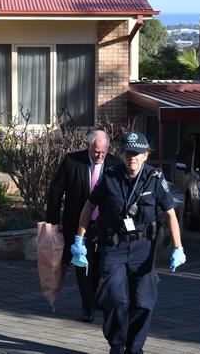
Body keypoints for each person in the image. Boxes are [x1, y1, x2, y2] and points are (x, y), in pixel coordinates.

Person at [71, 131, 186, 354]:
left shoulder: (155, 178)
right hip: (113, 246)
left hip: (143, 248)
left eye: (137, 153)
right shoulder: (111, 176)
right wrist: (79, 238)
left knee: (143, 302)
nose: (132, 157)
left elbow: (170, 213)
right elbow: (88, 206)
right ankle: (116, 344)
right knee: (115, 299)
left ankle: (134, 348)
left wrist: (178, 247)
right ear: (122, 154)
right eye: (128, 152)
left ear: (146, 155)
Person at [47, 130, 121, 322]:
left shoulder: (114, 165)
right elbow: (55, 192)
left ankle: (94, 299)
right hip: (78, 224)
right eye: (97, 152)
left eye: (104, 152)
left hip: (104, 226)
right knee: (83, 265)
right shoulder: (73, 162)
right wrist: (54, 223)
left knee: (99, 266)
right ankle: (87, 306)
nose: (100, 156)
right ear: (88, 146)